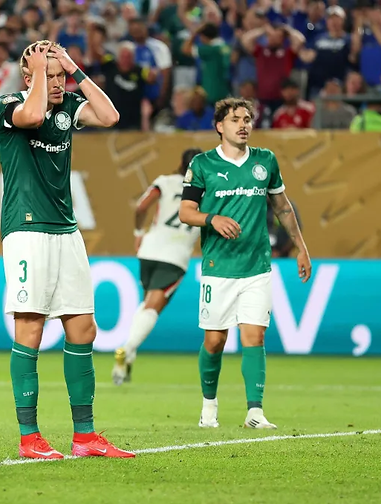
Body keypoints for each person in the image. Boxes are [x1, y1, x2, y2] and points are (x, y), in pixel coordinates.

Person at [0, 40, 133, 460]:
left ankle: (85, 436)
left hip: (66, 230)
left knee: (83, 329)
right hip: (27, 230)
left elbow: (110, 116)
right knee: (31, 329)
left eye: (59, 76)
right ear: (29, 76)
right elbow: (33, 115)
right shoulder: (8, 105)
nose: (57, 83)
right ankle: (29, 437)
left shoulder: (69, 105)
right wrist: (39, 75)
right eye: (47, 75)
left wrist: (75, 68)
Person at [178, 97, 311, 430]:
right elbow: (185, 212)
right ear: (219, 126)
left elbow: (282, 208)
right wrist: (212, 219)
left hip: (257, 266)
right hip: (218, 267)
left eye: (248, 119)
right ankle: (209, 406)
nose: (243, 124)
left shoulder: (265, 161)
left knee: (255, 337)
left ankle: (255, 411)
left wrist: (302, 247)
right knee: (215, 341)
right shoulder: (203, 164)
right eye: (235, 119)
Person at [112, 148, 202, 386]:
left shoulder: (164, 182)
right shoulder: (208, 192)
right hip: (175, 255)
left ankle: (127, 361)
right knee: (152, 307)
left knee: (145, 305)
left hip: (149, 249)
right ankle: (127, 348)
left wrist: (138, 232)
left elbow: (142, 206)